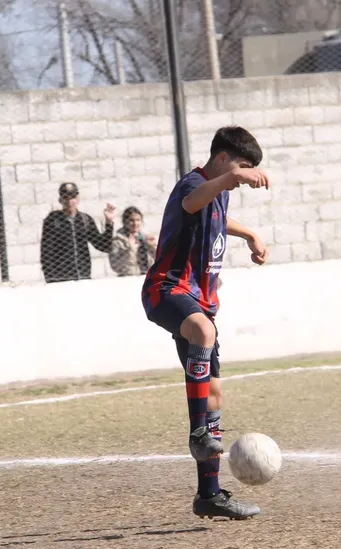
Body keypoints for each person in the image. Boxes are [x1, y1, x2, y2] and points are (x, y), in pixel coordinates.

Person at [141, 126, 271, 521]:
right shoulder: (194, 184)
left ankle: (210, 495)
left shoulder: (219, 193)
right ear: (222, 158)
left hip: (200, 301)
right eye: (241, 166)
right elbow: (194, 202)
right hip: (166, 290)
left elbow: (217, 217)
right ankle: (199, 434)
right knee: (204, 331)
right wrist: (233, 178)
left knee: (213, 394)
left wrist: (250, 234)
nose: (243, 176)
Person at [40, 182, 115, 283]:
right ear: (60, 200)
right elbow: (46, 252)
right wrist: (50, 278)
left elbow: (104, 246)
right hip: (60, 279)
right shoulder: (53, 221)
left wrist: (109, 223)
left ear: (78, 199)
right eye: (65, 197)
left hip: (83, 276)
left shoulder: (85, 220)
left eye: (72, 197)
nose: (69, 200)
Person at [109, 206, 157, 277]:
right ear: (125, 222)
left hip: (148, 276)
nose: (135, 223)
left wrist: (153, 247)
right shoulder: (118, 241)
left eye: (138, 220)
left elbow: (160, 261)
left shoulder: (146, 237)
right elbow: (115, 266)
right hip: (128, 278)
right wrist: (130, 250)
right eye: (131, 220)